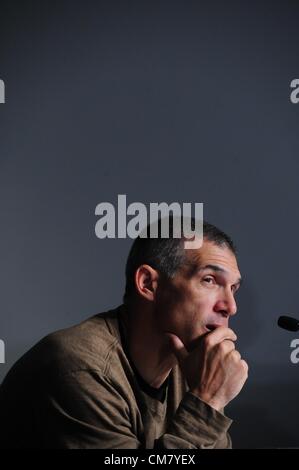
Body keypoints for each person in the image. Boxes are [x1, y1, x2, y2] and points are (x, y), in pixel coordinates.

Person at [0, 218, 248, 449]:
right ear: (148, 283)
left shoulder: (194, 366)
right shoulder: (80, 368)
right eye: (209, 280)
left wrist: (206, 400)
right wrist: (206, 403)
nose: (230, 306)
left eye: (233, 288)